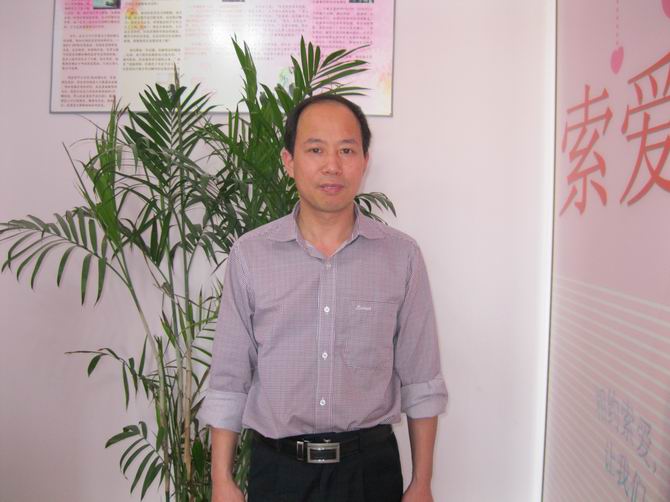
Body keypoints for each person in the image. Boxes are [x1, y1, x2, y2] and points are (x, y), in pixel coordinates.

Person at [201, 94, 448, 502]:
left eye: (347, 150)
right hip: (278, 474)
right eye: (315, 149)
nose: (332, 165)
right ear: (289, 161)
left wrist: (422, 483)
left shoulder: (401, 257)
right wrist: (221, 481)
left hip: (369, 475)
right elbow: (229, 379)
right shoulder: (250, 256)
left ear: (364, 161)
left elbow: (421, 379)